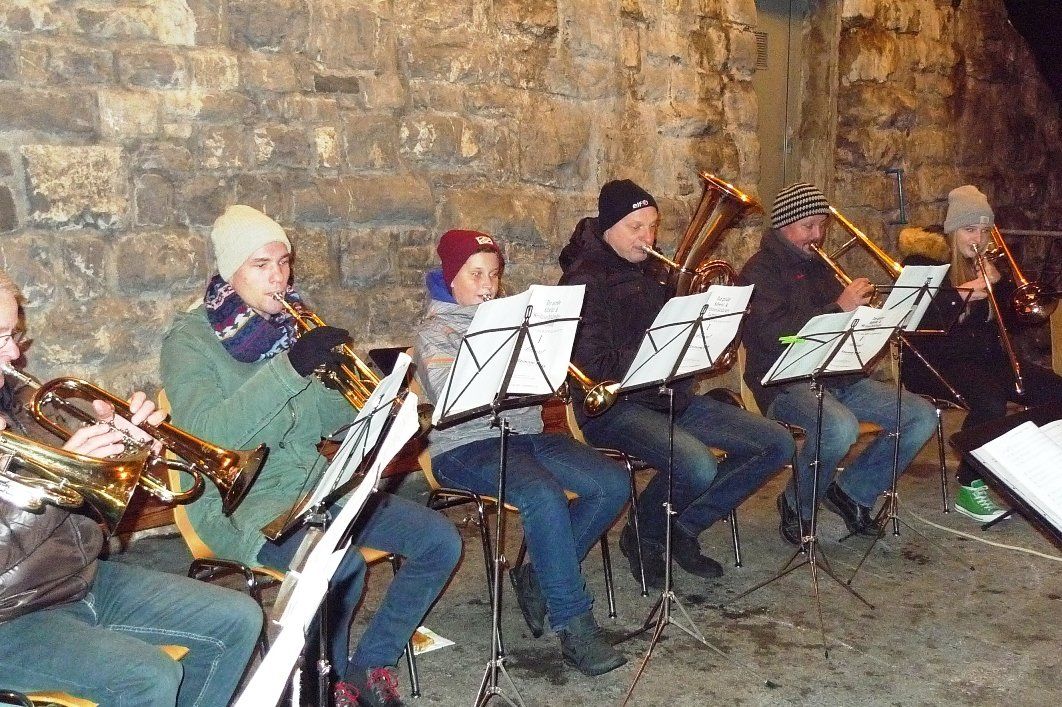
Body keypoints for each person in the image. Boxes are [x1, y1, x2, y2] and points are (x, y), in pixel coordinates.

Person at [159, 205, 461, 707]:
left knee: (439, 541)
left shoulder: (288, 326)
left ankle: (369, 664)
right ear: (229, 272)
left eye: (283, 262)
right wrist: (291, 368)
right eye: (261, 265)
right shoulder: (189, 341)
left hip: (315, 488)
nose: (278, 276)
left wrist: (365, 392)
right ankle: (326, 686)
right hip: (243, 506)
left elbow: (320, 420)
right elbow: (210, 434)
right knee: (342, 569)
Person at [0, 270, 263, 707]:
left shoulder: (23, 406)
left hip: (79, 580)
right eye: (0, 338)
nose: (14, 354)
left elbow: (90, 519)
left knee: (239, 618)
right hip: (11, 618)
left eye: (13, 336)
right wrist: (60, 476)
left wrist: (122, 458)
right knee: (148, 679)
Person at [413, 229, 629, 676]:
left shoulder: (516, 319)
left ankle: (536, 575)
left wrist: (547, 358)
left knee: (611, 482)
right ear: (451, 278)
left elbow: (537, 394)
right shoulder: (434, 332)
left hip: (526, 435)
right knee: (543, 496)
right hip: (465, 445)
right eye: (475, 274)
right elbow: (449, 397)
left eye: (493, 274)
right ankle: (573, 624)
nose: (488, 285)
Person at [557, 180, 793, 586]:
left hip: (672, 398)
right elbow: (593, 367)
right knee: (695, 464)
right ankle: (644, 535)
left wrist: (712, 327)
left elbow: (692, 349)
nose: (647, 238)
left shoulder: (656, 271)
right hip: (613, 408)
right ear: (609, 227)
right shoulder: (583, 281)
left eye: (652, 226)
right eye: (635, 227)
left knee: (776, 443)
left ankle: (680, 526)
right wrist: (660, 345)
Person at [740, 183, 937, 544]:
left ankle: (852, 492)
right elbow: (772, 335)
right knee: (838, 427)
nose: (817, 236)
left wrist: (870, 323)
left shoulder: (818, 266)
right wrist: (839, 307)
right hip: (782, 381)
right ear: (783, 225)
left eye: (821, 226)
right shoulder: (759, 272)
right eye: (808, 226)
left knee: (920, 416)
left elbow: (842, 325)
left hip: (837, 375)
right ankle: (797, 504)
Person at [898, 185, 1062, 522]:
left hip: (986, 358)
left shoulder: (990, 265)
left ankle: (1033, 467)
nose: (979, 239)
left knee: (1054, 389)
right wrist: (958, 297)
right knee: (990, 401)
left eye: (985, 230)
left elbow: (1016, 322)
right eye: (970, 229)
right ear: (952, 231)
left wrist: (1000, 286)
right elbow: (913, 322)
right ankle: (970, 483)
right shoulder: (923, 263)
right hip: (935, 361)